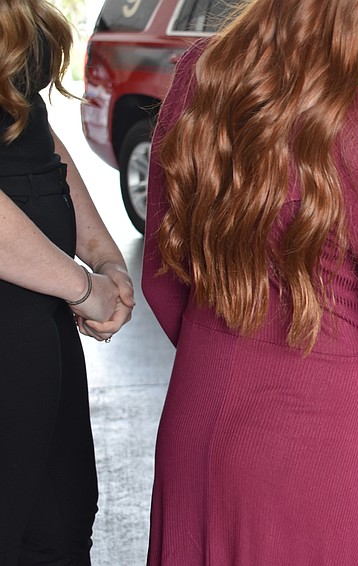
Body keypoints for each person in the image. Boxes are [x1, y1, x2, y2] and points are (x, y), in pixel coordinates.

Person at [141, 0, 358, 563]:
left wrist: (221, 347)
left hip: (194, 415)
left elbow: (162, 279)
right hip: (315, 455)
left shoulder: (203, 72)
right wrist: (335, 427)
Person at [0, 0, 136, 563]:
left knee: (62, 521)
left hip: (39, 302)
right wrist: (81, 286)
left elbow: (30, 130)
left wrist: (103, 256)